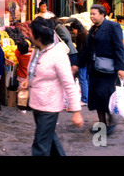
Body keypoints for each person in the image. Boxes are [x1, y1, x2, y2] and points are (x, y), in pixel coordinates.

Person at [20, 17, 83, 156]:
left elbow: (69, 84)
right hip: (36, 103)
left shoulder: (58, 55)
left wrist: (76, 112)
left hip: (49, 106)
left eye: (31, 33)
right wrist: (27, 80)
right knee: (49, 135)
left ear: (39, 37)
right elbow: (33, 70)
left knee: (40, 145)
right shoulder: (37, 51)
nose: (29, 35)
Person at [78, 4, 124, 136]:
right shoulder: (93, 29)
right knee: (95, 96)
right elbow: (87, 49)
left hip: (107, 69)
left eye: (94, 14)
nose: (91, 16)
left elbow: (119, 47)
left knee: (104, 95)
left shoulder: (112, 27)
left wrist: (121, 68)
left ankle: (111, 120)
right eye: (91, 14)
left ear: (102, 14)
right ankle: (102, 124)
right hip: (94, 68)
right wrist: (78, 64)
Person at [70, 19, 89, 106]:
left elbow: (80, 50)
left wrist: (78, 62)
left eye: (73, 29)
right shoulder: (85, 32)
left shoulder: (80, 35)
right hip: (88, 59)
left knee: (82, 79)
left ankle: (85, 99)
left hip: (83, 60)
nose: (73, 31)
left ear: (75, 28)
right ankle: (89, 97)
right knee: (87, 79)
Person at [15, 41, 31, 113]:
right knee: (30, 92)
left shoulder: (19, 55)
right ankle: (29, 105)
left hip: (21, 76)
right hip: (29, 77)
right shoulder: (31, 56)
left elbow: (16, 50)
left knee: (22, 92)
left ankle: (22, 108)